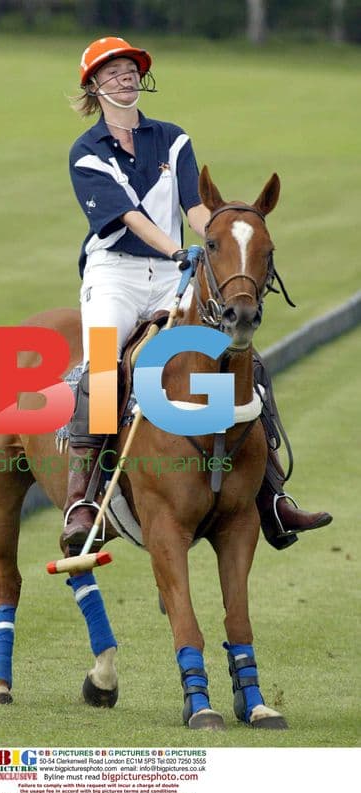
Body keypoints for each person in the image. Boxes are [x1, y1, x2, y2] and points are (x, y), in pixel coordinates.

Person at [61, 35, 331, 553]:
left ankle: (272, 495)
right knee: (101, 365)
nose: (124, 77)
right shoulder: (87, 153)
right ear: (94, 86)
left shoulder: (173, 139)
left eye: (130, 69)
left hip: (174, 272)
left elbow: (195, 207)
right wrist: (180, 250)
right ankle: (83, 497)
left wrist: (216, 243)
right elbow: (129, 217)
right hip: (114, 273)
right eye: (111, 71)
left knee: (239, 357)